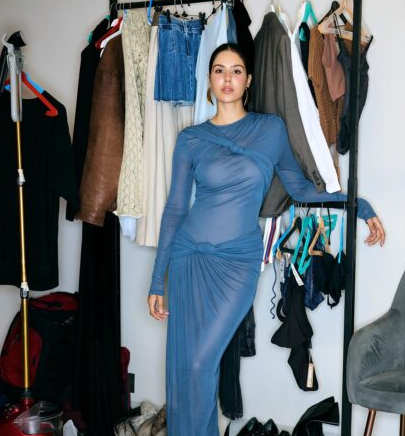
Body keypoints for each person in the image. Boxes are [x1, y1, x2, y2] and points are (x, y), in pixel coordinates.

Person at [147, 43, 385, 436]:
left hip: (236, 264)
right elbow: (174, 210)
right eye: (219, 70)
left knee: (200, 364)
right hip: (189, 258)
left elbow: (300, 188)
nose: (227, 78)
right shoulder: (191, 139)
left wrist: (356, 204)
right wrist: (158, 280)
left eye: (236, 71)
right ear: (209, 80)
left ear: (248, 81)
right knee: (188, 367)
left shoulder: (269, 130)